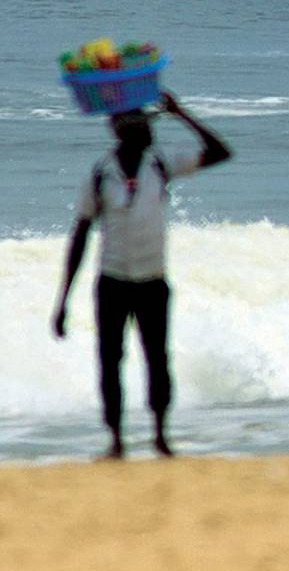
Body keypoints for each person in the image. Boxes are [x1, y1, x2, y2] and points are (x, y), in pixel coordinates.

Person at [49, 92, 232, 458]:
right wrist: (63, 301)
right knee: (109, 360)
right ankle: (116, 441)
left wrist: (182, 114)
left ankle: (161, 436)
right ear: (121, 131)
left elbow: (221, 152)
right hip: (113, 280)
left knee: (157, 359)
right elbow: (80, 235)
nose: (150, 130)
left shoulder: (161, 164)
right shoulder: (99, 174)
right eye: (142, 125)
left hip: (153, 280)